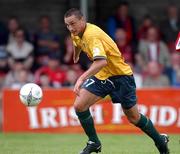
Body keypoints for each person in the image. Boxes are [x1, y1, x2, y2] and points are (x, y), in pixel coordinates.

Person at [64, 8, 169, 154]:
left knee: (134, 118)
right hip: (103, 76)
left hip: (121, 77)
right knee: (79, 105)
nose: (70, 28)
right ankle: (94, 142)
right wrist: (76, 55)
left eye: (73, 24)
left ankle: (160, 140)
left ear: (83, 20)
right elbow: (76, 42)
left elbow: (101, 62)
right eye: (67, 25)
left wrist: (81, 77)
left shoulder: (92, 35)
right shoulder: (76, 32)